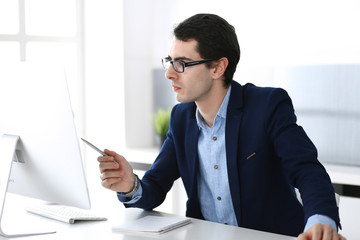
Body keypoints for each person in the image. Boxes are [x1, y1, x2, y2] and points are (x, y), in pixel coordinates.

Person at [98, 13, 345, 239]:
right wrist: (130, 185)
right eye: (169, 61)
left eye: (182, 63)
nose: (170, 74)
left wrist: (320, 221)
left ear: (218, 67)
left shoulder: (266, 106)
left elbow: (307, 170)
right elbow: (156, 186)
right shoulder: (181, 118)